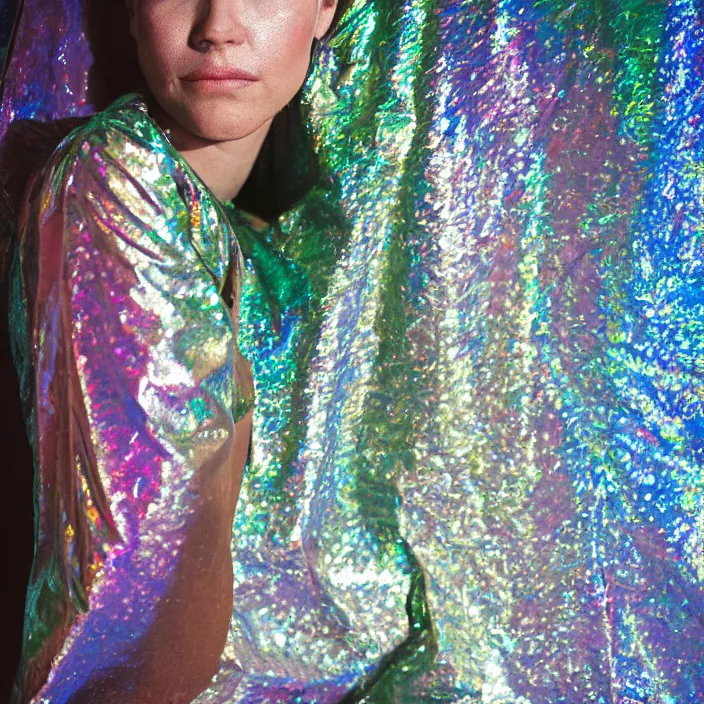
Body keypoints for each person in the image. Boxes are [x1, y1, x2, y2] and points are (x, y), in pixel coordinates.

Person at [3, 1, 349, 701]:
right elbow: (133, 594)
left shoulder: (276, 253)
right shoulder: (113, 176)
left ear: (326, 9)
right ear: (129, 12)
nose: (216, 24)